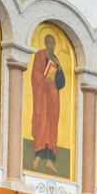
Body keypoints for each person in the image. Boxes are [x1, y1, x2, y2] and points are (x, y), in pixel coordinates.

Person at [30, 34, 67, 171]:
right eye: (50, 44)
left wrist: (60, 67)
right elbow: (34, 73)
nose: (52, 46)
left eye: (54, 44)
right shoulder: (39, 55)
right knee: (42, 123)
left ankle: (49, 160)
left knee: (52, 125)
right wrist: (43, 79)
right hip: (42, 95)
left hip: (53, 96)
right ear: (46, 43)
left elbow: (61, 82)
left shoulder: (56, 59)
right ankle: (37, 156)